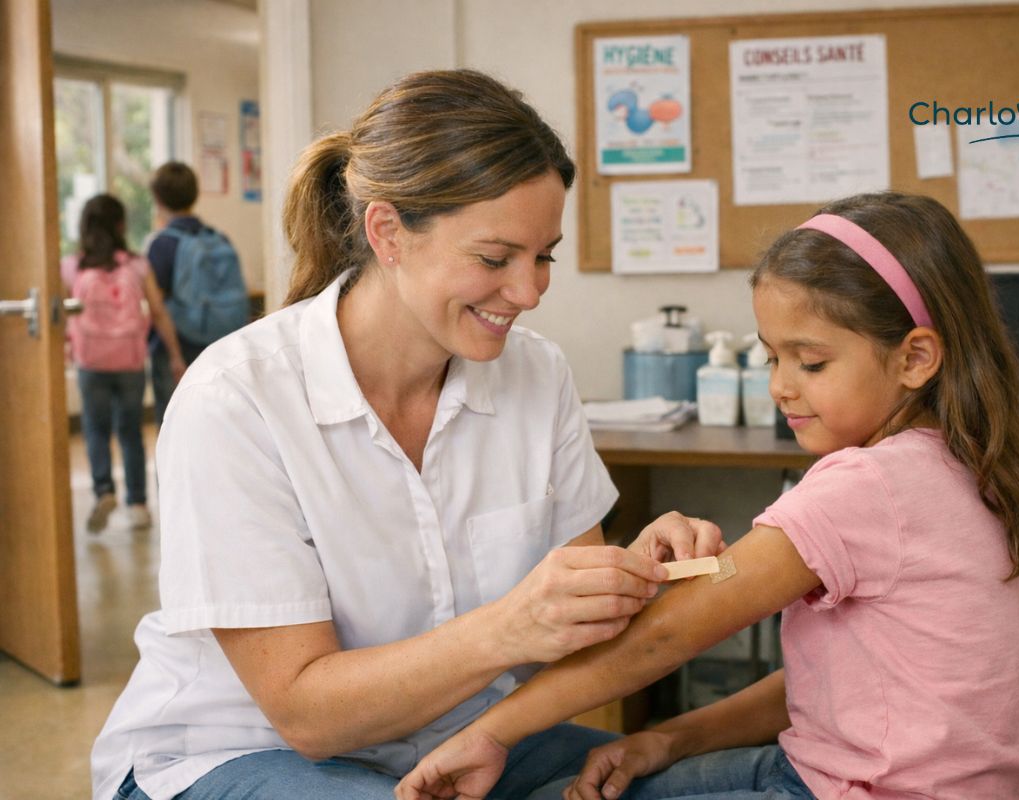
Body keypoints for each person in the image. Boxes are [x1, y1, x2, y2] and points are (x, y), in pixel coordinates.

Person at [90, 69, 720, 800]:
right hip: (239, 752)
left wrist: (635, 578)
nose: (529, 292)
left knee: (707, 783)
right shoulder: (236, 400)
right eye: (494, 259)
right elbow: (307, 716)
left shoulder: (536, 375)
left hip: (465, 737)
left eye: (544, 255)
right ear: (387, 232)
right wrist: (511, 629)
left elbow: (571, 635)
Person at [398, 192, 1019, 800]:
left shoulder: (869, 484)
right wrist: (666, 738)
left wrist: (491, 732)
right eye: (771, 357)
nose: (780, 385)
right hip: (874, 772)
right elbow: (845, 686)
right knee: (617, 770)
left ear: (916, 359)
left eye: (810, 362)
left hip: (866, 789)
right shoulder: (964, 463)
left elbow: (658, 641)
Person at [62, 194, 187, 533]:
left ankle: (104, 490)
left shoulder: (73, 265)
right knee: (131, 431)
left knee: (95, 429)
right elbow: (159, 312)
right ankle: (138, 505)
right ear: (121, 225)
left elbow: (59, 314)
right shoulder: (136, 264)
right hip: (130, 360)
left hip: (90, 362)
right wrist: (176, 355)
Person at [145, 161, 248, 425]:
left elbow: (157, 307)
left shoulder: (162, 244)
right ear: (195, 194)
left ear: (157, 198)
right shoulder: (220, 239)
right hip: (221, 343)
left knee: (172, 424)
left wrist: (174, 356)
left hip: (178, 344)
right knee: (216, 422)